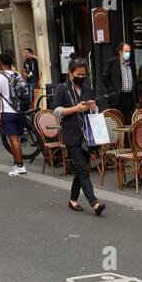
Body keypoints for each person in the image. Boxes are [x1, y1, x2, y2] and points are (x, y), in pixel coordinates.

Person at [54, 56, 104, 216]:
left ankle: (72, 200)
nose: (81, 78)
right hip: (71, 135)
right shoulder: (62, 89)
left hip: (87, 135)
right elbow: (56, 111)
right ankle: (94, 203)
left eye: (84, 75)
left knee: (81, 169)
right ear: (70, 73)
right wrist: (75, 108)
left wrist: (94, 107)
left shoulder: (88, 88)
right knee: (83, 169)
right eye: (78, 75)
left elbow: (94, 111)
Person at [0, 51, 27, 177]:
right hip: (19, 111)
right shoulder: (17, 75)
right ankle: (16, 163)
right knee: (16, 139)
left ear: (1, 63)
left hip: (7, 111)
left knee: (14, 140)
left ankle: (20, 166)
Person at [102, 43, 136, 119]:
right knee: (118, 120)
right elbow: (104, 77)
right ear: (120, 52)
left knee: (129, 120)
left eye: (129, 52)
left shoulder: (131, 63)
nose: (128, 54)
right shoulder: (113, 62)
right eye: (126, 51)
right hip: (118, 97)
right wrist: (111, 90)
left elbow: (134, 78)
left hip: (129, 96)